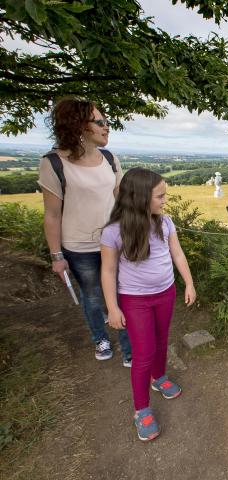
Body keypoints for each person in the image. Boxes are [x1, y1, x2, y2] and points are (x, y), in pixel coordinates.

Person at [101, 168, 196, 442]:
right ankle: (141, 409)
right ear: (140, 198)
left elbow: (177, 253)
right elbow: (107, 271)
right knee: (143, 353)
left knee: (162, 339)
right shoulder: (113, 231)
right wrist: (113, 307)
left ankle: (159, 377)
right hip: (135, 300)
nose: (165, 200)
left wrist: (188, 283)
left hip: (166, 293)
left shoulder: (164, 223)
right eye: (160, 196)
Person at [38, 97, 132, 365]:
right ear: (79, 126)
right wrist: (57, 257)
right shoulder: (53, 163)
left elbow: (121, 201)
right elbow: (52, 215)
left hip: (114, 242)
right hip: (79, 247)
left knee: (122, 293)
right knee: (92, 296)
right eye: (100, 122)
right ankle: (100, 339)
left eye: (106, 121)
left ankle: (129, 350)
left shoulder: (110, 159)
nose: (107, 127)